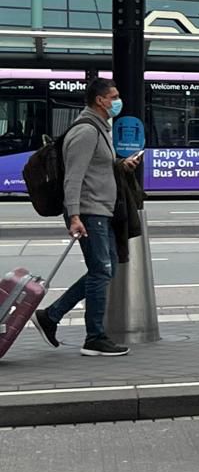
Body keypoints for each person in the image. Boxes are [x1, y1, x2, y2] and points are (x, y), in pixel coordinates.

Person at [34, 79, 141, 357]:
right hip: (90, 213)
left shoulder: (100, 128)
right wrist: (74, 216)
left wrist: (121, 164)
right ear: (100, 100)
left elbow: (97, 166)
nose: (118, 101)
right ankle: (94, 338)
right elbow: (74, 177)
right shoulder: (86, 131)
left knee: (105, 270)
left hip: (100, 211)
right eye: (114, 96)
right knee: (102, 272)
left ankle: (51, 316)